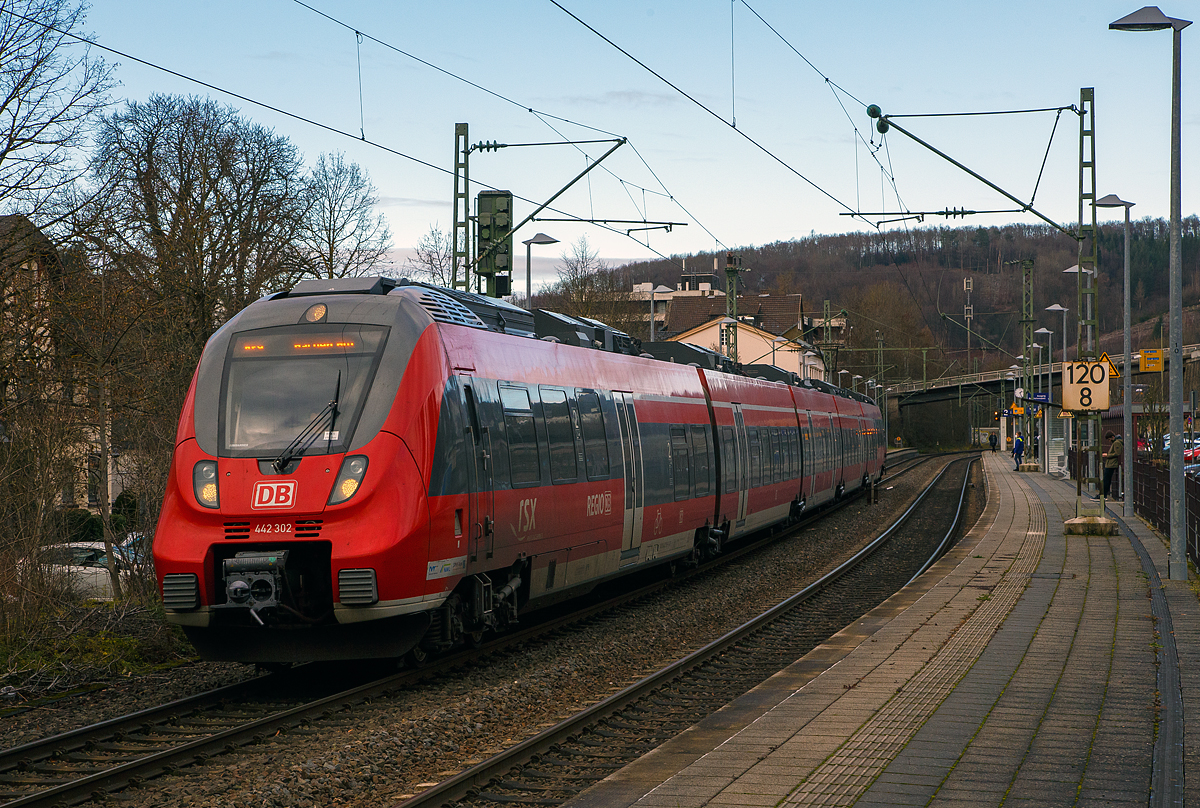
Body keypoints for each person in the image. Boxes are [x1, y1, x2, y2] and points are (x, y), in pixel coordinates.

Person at [1103, 430, 1124, 500]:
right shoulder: (1115, 442)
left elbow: (1117, 453)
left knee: (1106, 479)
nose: (1109, 441)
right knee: (1106, 479)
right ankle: (1103, 494)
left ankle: (1104, 495)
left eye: (1109, 439)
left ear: (1112, 437)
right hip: (1110, 463)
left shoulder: (1117, 443)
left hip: (1112, 464)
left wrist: (1107, 455)